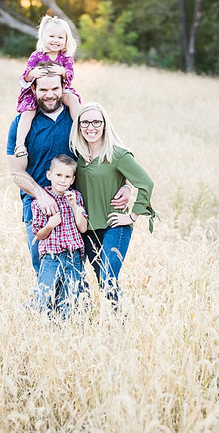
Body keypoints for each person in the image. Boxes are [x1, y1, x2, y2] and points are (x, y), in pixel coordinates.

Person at [69, 102, 155, 309]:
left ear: (105, 124)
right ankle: (120, 320)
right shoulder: (76, 155)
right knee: (103, 279)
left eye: (96, 121)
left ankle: (120, 323)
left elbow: (146, 183)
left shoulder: (118, 155)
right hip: (87, 229)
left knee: (108, 277)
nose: (91, 127)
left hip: (115, 226)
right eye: (85, 122)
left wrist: (132, 216)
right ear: (79, 126)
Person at [14, 16, 83, 160]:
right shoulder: (37, 55)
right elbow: (25, 77)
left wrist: (63, 72)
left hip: (60, 89)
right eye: (51, 36)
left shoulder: (66, 57)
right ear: (43, 37)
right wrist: (33, 73)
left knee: (73, 99)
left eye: (60, 37)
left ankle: (80, 132)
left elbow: (70, 74)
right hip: (36, 92)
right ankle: (20, 144)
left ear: (66, 40)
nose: (55, 40)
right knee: (28, 112)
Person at [29, 155, 88, 317]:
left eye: (67, 177)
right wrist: (50, 225)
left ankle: (65, 331)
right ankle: (32, 319)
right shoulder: (40, 202)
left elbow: (83, 228)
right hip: (51, 257)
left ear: (72, 179)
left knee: (70, 298)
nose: (62, 180)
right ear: (49, 175)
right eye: (59, 175)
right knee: (43, 294)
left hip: (73, 257)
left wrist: (74, 206)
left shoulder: (76, 198)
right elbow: (39, 235)